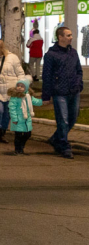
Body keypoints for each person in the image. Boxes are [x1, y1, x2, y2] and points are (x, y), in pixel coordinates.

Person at [41, 26, 84, 159]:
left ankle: (56, 138)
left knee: (72, 118)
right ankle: (64, 146)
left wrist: (79, 84)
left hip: (74, 91)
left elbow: (78, 70)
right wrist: (46, 95)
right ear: (60, 37)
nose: (71, 37)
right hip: (59, 92)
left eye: (71, 35)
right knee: (63, 120)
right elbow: (47, 76)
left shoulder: (73, 53)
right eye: (68, 35)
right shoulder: (51, 55)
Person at [8, 76, 46, 156]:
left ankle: (21, 146)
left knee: (28, 134)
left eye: (22, 86)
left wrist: (43, 101)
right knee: (18, 135)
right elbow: (12, 108)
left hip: (26, 119)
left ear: (26, 88)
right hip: (18, 120)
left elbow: (36, 102)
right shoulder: (15, 97)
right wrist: (14, 119)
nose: (19, 87)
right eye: (18, 85)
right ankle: (18, 150)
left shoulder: (28, 97)